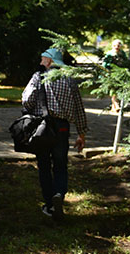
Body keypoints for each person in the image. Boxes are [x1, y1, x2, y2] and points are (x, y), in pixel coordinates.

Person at [23, 48, 87, 221]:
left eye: (43, 59)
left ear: (50, 62)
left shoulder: (38, 77)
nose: (40, 63)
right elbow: (79, 109)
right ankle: (59, 193)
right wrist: (81, 134)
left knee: (44, 165)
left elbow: (27, 100)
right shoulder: (70, 81)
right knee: (60, 164)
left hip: (43, 127)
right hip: (62, 128)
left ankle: (49, 204)